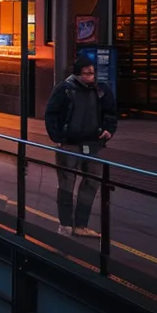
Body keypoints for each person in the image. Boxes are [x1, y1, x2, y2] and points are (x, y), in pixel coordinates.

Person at [45, 59, 118, 238]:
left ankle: (81, 225)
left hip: (93, 144)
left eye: (92, 73)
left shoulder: (101, 90)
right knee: (66, 184)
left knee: (91, 183)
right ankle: (65, 224)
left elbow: (111, 113)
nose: (90, 76)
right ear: (77, 74)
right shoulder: (64, 89)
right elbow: (51, 113)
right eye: (86, 73)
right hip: (69, 143)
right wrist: (58, 138)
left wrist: (109, 130)